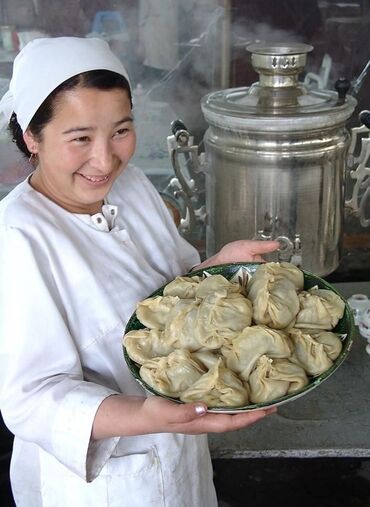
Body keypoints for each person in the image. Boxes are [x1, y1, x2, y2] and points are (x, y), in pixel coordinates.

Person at [0, 37, 279, 507]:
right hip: (107, 484)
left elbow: (170, 295)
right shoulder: (18, 238)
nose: (105, 159)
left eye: (121, 131)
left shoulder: (128, 186)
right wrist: (147, 414)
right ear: (31, 136)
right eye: (80, 138)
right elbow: (30, 401)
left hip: (183, 444)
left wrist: (214, 265)